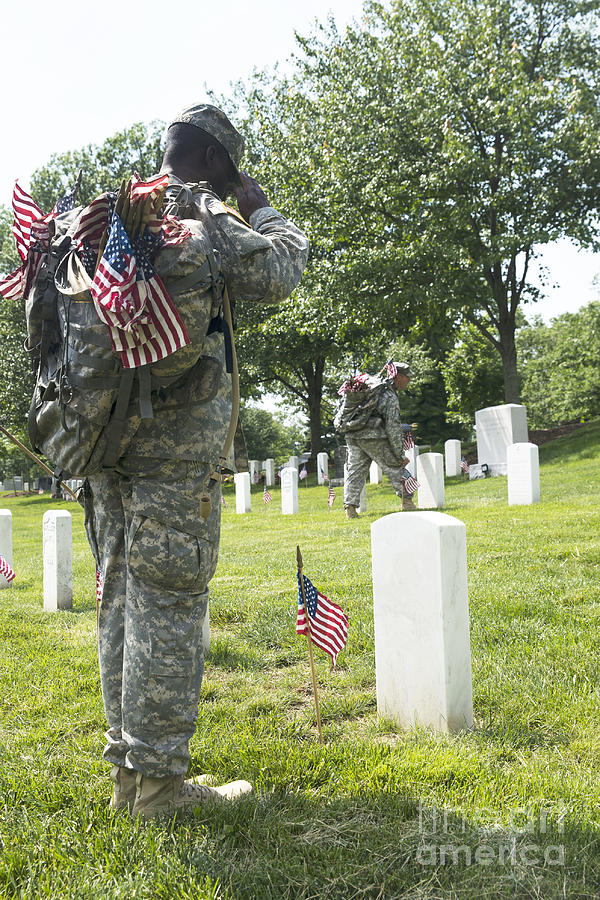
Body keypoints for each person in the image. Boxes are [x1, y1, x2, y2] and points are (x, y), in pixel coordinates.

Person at [82, 103, 309, 819]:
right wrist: (264, 209)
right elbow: (281, 270)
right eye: (231, 166)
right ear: (213, 159)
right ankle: (159, 790)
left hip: (101, 448)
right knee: (170, 604)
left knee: (120, 599)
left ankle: (130, 775)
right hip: (171, 454)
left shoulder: (108, 215)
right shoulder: (199, 213)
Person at [343, 362, 418, 518]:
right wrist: (399, 454)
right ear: (398, 377)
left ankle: (350, 508)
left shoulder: (372, 390)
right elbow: (393, 427)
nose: (409, 381)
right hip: (373, 437)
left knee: (355, 471)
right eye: (407, 377)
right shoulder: (388, 396)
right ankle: (408, 502)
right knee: (394, 466)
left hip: (353, 434)